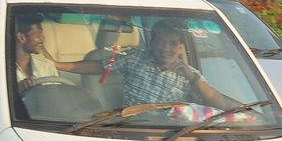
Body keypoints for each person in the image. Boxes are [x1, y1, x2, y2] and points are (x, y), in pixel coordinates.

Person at [37, 20, 236, 108]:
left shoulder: (189, 75)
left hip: (171, 136)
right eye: (159, 41)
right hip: (130, 127)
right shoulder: (136, 58)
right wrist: (57, 65)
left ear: (182, 47)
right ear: (151, 43)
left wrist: (192, 78)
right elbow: (99, 67)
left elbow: (218, 104)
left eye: (172, 43)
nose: (165, 48)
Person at [12, 13, 60, 95]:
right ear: (21, 38)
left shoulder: (47, 66)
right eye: (39, 33)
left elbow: (56, 100)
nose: (43, 39)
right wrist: (16, 90)